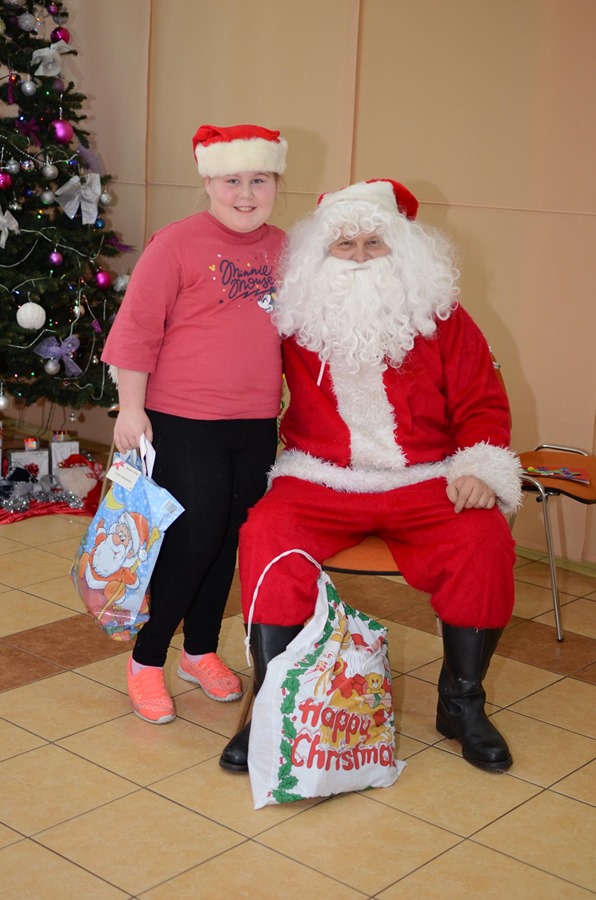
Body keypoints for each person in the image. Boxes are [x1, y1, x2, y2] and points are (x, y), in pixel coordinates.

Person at [219, 177, 522, 774]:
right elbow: (228, 365)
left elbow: (482, 401)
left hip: (427, 478)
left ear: (401, 249)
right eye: (345, 244)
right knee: (265, 537)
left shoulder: (443, 319)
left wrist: (481, 469)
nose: (359, 257)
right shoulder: (294, 315)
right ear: (321, 253)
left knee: (484, 541)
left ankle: (461, 703)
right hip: (318, 477)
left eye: (374, 243)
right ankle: (273, 702)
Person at [101, 123, 288, 724]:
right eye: (232, 180)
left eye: (259, 180)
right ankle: (146, 658)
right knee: (195, 538)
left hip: (255, 422)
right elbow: (136, 330)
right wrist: (132, 409)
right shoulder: (176, 243)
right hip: (183, 420)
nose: (245, 194)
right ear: (208, 182)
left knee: (229, 538)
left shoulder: (287, 249)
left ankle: (200, 650)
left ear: (276, 183)